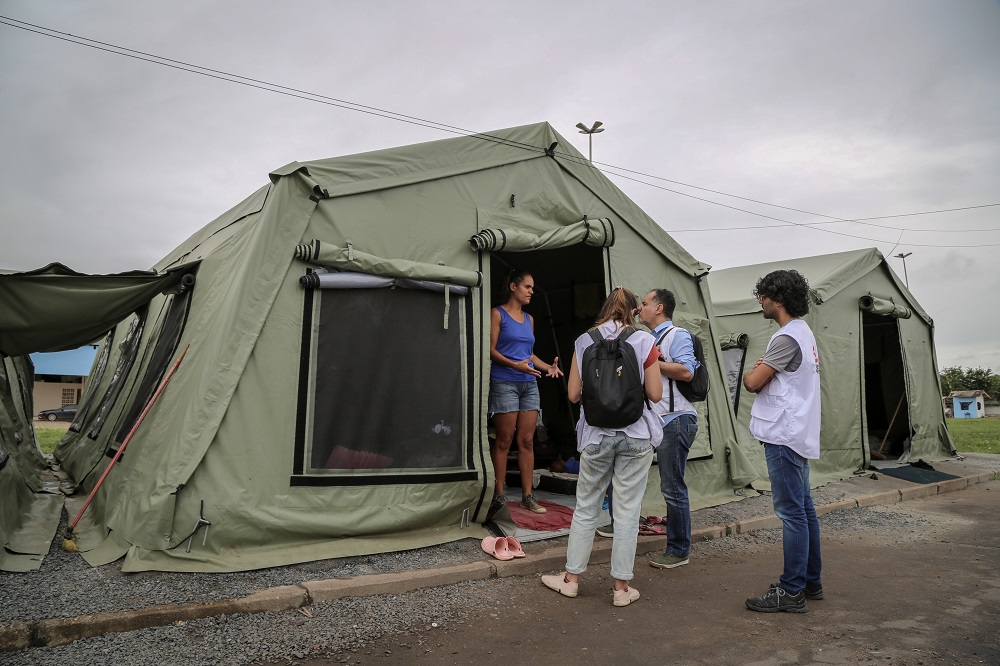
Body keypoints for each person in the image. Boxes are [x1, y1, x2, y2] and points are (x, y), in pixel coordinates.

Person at [541, 287, 663, 607]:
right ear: (635, 311)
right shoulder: (645, 341)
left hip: (596, 436)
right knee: (626, 512)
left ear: (605, 309)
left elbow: (572, 395)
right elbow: (655, 393)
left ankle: (570, 580)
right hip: (636, 436)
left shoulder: (584, 341)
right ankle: (621, 589)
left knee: (586, 508)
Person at [742, 270, 822, 613]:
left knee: (791, 513)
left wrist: (756, 369)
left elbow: (751, 382)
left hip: (783, 434)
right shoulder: (804, 334)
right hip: (797, 431)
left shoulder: (786, 338)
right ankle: (810, 582)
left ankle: (791, 591)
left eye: (762, 296)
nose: (760, 301)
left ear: (777, 299)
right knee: (804, 509)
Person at [487, 269, 563, 518]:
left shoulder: (529, 319)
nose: (532, 291)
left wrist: (548, 367)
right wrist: (513, 365)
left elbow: (528, 355)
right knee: (504, 440)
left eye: (532, 288)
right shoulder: (497, 313)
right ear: (513, 287)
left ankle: (528, 496)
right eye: (527, 287)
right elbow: (491, 351)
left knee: (527, 441)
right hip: (504, 382)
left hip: (529, 384)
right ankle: (498, 495)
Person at [637, 289, 699, 570]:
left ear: (659, 308)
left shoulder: (678, 335)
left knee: (673, 487)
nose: (640, 308)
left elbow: (687, 372)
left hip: (675, 419)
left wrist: (654, 363)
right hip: (655, 421)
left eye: (645, 303)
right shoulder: (645, 339)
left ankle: (678, 550)